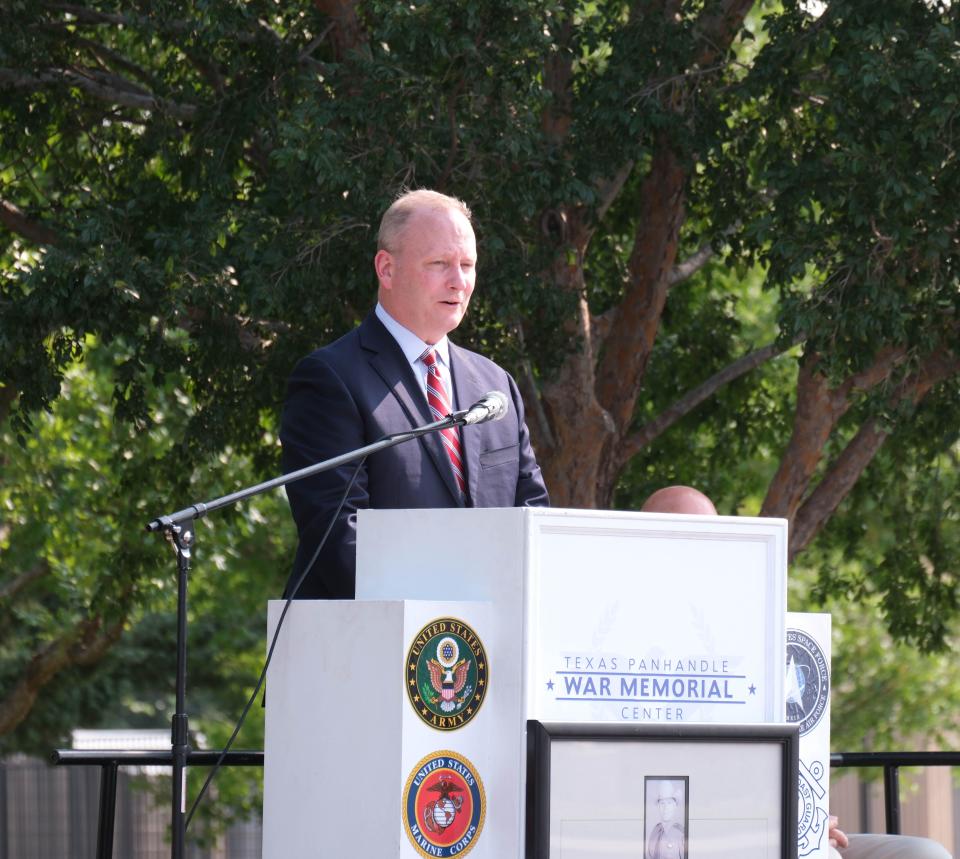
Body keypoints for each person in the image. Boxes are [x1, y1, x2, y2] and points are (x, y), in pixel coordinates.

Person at [640, 486, 953, 859]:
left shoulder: (754, 635)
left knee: (921, 854)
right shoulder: (624, 648)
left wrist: (809, 818)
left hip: (773, 828)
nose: (693, 553)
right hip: (691, 837)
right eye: (675, 537)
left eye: (706, 540)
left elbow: (793, 760)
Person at [280, 189, 549, 599]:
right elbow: (338, 539)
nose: (459, 281)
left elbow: (532, 524)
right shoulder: (330, 379)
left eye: (467, 265)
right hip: (368, 643)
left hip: (489, 644)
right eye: (439, 264)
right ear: (386, 269)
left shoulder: (495, 388)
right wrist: (448, 612)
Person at [646, 779, 686, 859]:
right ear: (658, 806)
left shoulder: (681, 833)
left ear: (675, 806)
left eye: (669, 803)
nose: (665, 808)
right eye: (662, 803)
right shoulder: (655, 831)